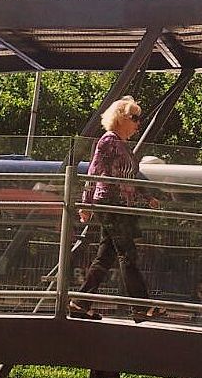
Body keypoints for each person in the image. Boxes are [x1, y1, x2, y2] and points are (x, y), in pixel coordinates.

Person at [68, 96, 166, 323]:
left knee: (105, 257)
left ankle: (80, 303)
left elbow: (130, 177)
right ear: (121, 118)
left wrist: (147, 196)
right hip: (111, 204)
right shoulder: (108, 141)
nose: (138, 124)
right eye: (134, 118)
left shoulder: (121, 145)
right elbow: (94, 170)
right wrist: (86, 203)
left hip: (120, 205)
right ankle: (142, 307)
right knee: (127, 253)